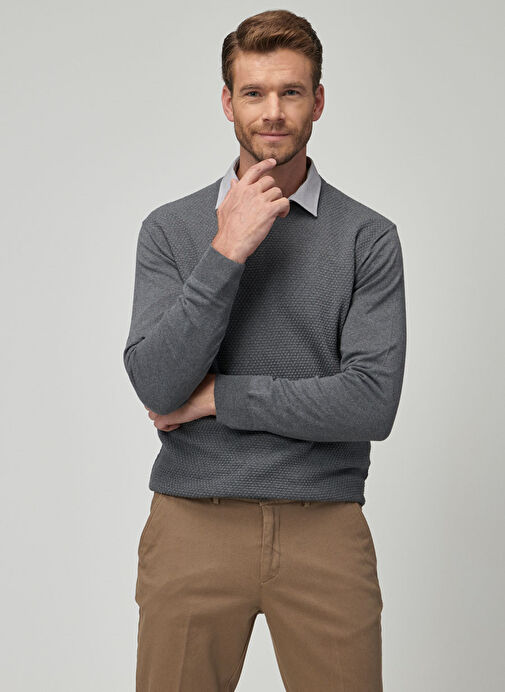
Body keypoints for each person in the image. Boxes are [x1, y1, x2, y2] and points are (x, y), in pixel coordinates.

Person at [123, 9, 406, 691]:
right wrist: (228, 248)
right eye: (253, 92)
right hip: (192, 524)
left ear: (318, 101)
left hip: (325, 529)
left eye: (290, 91)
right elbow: (158, 385)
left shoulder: (366, 237)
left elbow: (371, 403)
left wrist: (219, 397)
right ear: (228, 102)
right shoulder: (171, 230)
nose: (272, 111)